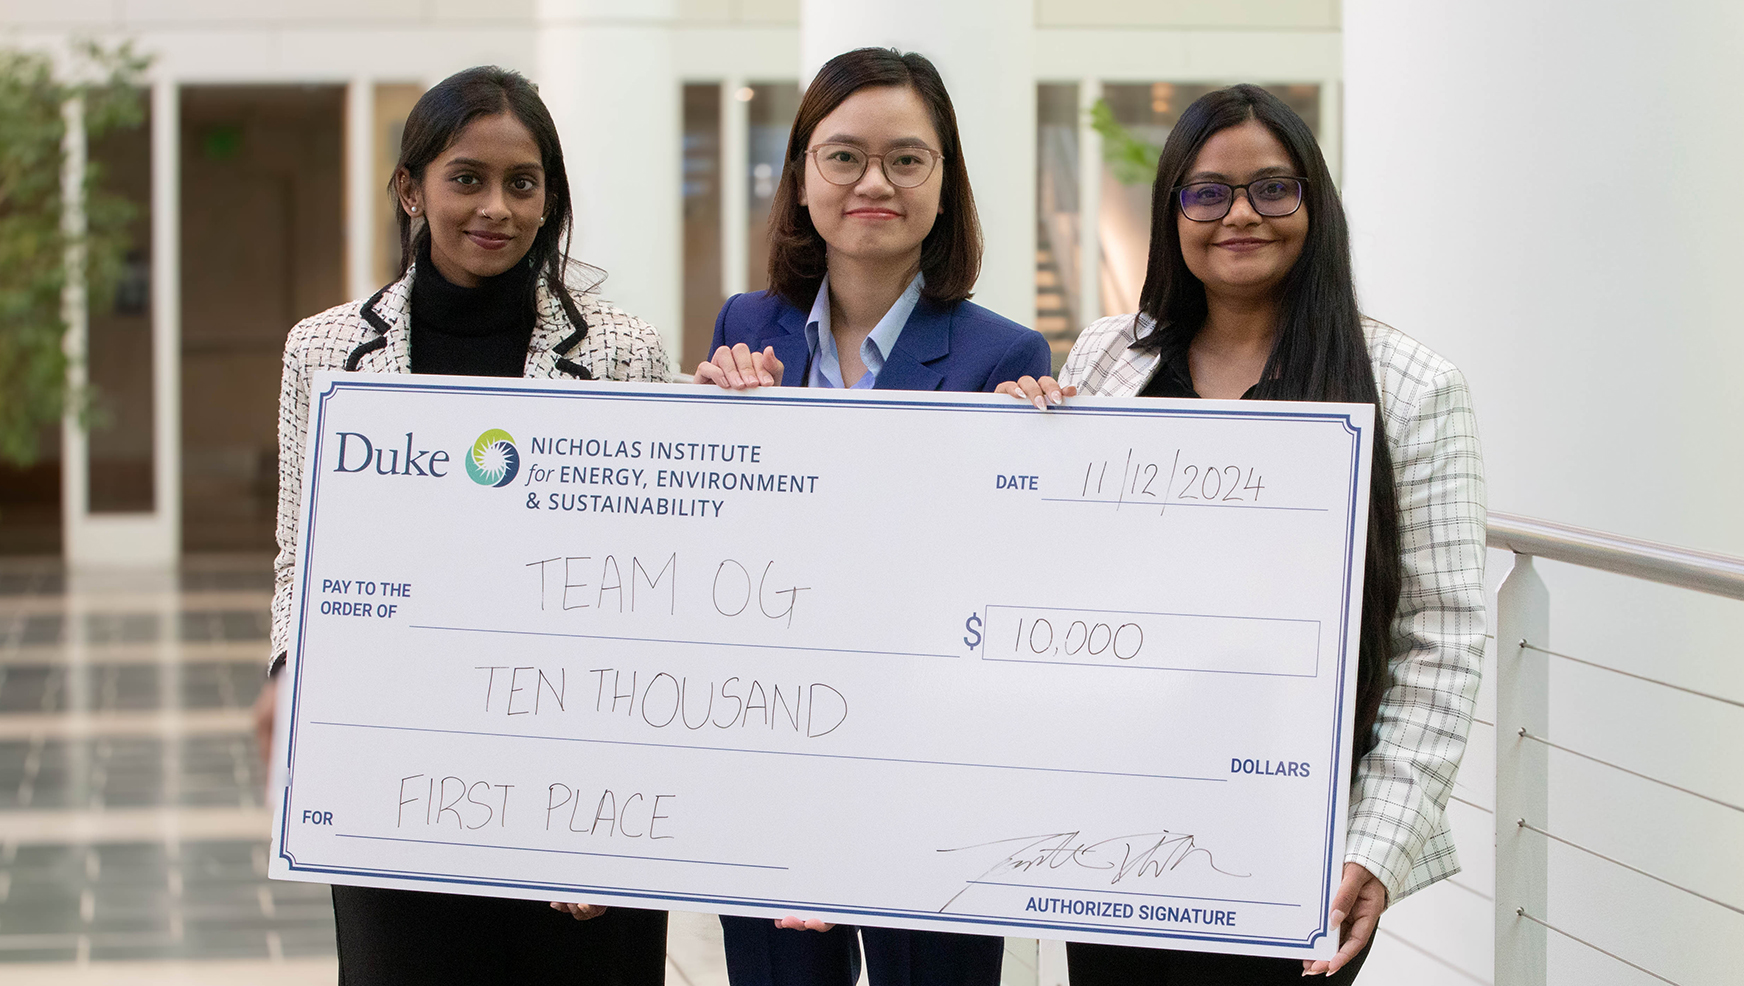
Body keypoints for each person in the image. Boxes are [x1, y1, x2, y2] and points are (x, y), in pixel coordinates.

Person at [1001, 84, 1486, 984]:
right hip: (1110, 826)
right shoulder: (1111, 356)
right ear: (1172, 211)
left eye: (1273, 188)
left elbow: (1442, 639)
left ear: (1315, 203)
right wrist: (1014, 449)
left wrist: (1377, 846)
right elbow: (1048, 571)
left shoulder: (1413, 386)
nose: (1240, 215)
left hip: (1299, 842)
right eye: (1207, 191)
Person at [250, 66, 671, 986]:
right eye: (466, 178)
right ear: (412, 189)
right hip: (396, 768)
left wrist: (627, 786)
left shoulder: (624, 351)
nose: (497, 208)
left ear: (549, 197)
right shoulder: (324, 350)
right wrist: (291, 669)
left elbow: (653, 577)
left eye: (523, 183)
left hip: (581, 775)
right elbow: (300, 554)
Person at [696, 47, 1052, 986]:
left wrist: (1038, 460)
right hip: (771, 757)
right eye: (843, 156)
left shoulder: (1002, 355)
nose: (873, 183)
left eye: (907, 159)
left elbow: (1008, 572)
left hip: (930, 769)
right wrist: (711, 426)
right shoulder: (746, 328)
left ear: (943, 184)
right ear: (804, 177)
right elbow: (711, 542)